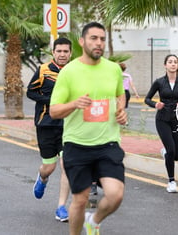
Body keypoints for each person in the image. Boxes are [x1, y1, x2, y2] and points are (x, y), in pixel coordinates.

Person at [50, 22, 127, 235]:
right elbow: (54, 111)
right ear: (82, 42)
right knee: (80, 199)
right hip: (77, 144)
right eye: (94, 38)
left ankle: (94, 221)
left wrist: (121, 109)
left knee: (115, 194)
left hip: (108, 144)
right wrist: (74, 104)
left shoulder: (113, 69)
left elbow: (120, 93)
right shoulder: (69, 72)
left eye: (102, 39)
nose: (99, 43)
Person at [26, 37, 72, 222]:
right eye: (59, 51)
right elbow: (30, 91)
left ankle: (61, 207)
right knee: (49, 167)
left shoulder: (74, 71)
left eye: (65, 51)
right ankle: (42, 178)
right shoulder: (43, 70)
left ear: (70, 53)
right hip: (46, 124)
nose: (62, 54)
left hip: (68, 125)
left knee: (66, 165)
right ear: (53, 52)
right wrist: (52, 102)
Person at [144, 54, 178, 193]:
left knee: (176, 155)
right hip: (162, 120)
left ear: (177, 65)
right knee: (171, 150)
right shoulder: (159, 82)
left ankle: (166, 152)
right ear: (165, 65)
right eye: (170, 62)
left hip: (177, 119)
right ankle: (171, 181)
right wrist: (155, 104)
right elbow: (147, 99)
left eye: (175, 62)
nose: (173, 64)